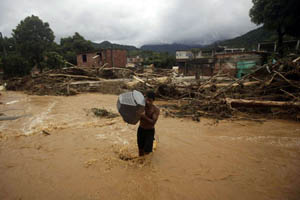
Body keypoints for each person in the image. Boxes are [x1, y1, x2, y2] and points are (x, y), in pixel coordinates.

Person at [137, 91, 160, 156]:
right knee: (140, 150)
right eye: (146, 100)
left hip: (149, 131)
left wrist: (144, 116)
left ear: (153, 101)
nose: (147, 102)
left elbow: (153, 122)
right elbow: (135, 119)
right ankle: (140, 164)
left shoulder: (156, 109)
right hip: (141, 130)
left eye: (149, 101)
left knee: (147, 152)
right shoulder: (141, 107)